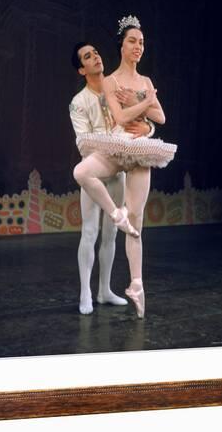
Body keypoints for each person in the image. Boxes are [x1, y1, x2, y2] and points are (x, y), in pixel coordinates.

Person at [73, 16, 177, 319]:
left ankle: (136, 284)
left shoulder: (144, 82)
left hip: (139, 152)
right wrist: (145, 103)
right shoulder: (110, 81)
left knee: (137, 221)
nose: (138, 46)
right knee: (83, 179)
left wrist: (144, 114)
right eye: (132, 41)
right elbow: (121, 118)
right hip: (113, 148)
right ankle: (87, 291)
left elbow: (161, 118)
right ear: (121, 45)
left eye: (142, 42)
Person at [70, 41, 155, 315]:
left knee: (111, 236)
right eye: (87, 57)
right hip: (95, 169)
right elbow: (83, 144)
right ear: (82, 70)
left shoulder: (115, 87)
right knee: (90, 232)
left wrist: (148, 127)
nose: (95, 57)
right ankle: (86, 292)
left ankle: (104, 290)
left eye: (96, 52)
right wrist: (112, 146)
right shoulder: (79, 102)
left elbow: (138, 118)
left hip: (117, 171)